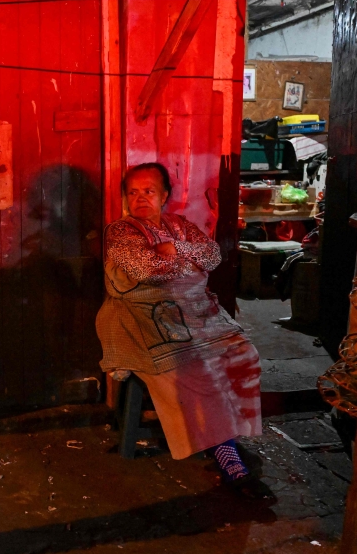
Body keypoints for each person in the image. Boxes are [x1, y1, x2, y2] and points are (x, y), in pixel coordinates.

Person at [96, 163, 269, 498]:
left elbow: (213, 255)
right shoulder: (120, 231)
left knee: (243, 355)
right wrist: (186, 261)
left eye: (149, 191)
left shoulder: (179, 225)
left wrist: (175, 249)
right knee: (194, 368)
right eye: (133, 192)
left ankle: (224, 433)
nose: (140, 198)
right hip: (144, 316)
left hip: (193, 311)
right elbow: (145, 271)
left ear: (164, 196)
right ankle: (226, 454)